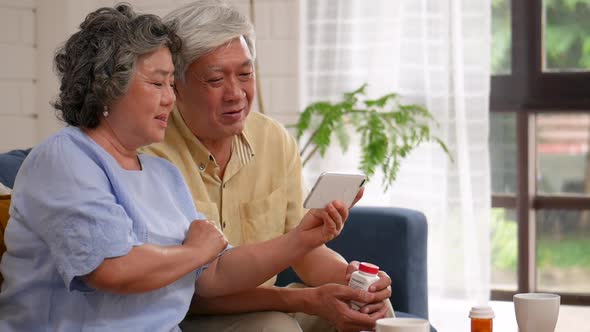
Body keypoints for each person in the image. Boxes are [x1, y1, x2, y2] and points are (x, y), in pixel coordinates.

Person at [0, 4, 354, 331]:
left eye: (171, 83)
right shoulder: (64, 158)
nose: (171, 97)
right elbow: (112, 269)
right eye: (158, 83)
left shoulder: (160, 174)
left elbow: (212, 275)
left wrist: (303, 239)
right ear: (109, 88)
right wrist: (195, 251)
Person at [142, 1, 393, 331]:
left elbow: (303, 250)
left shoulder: (272, 139)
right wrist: (298, 300)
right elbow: (188, 291)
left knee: (371, 313)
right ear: (176, 85)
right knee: (276, 327)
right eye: (215, 79)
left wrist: (354, 280)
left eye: (245, 74)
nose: (237, 94)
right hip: (188, 316)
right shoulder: (150, 154)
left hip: (268, 307)